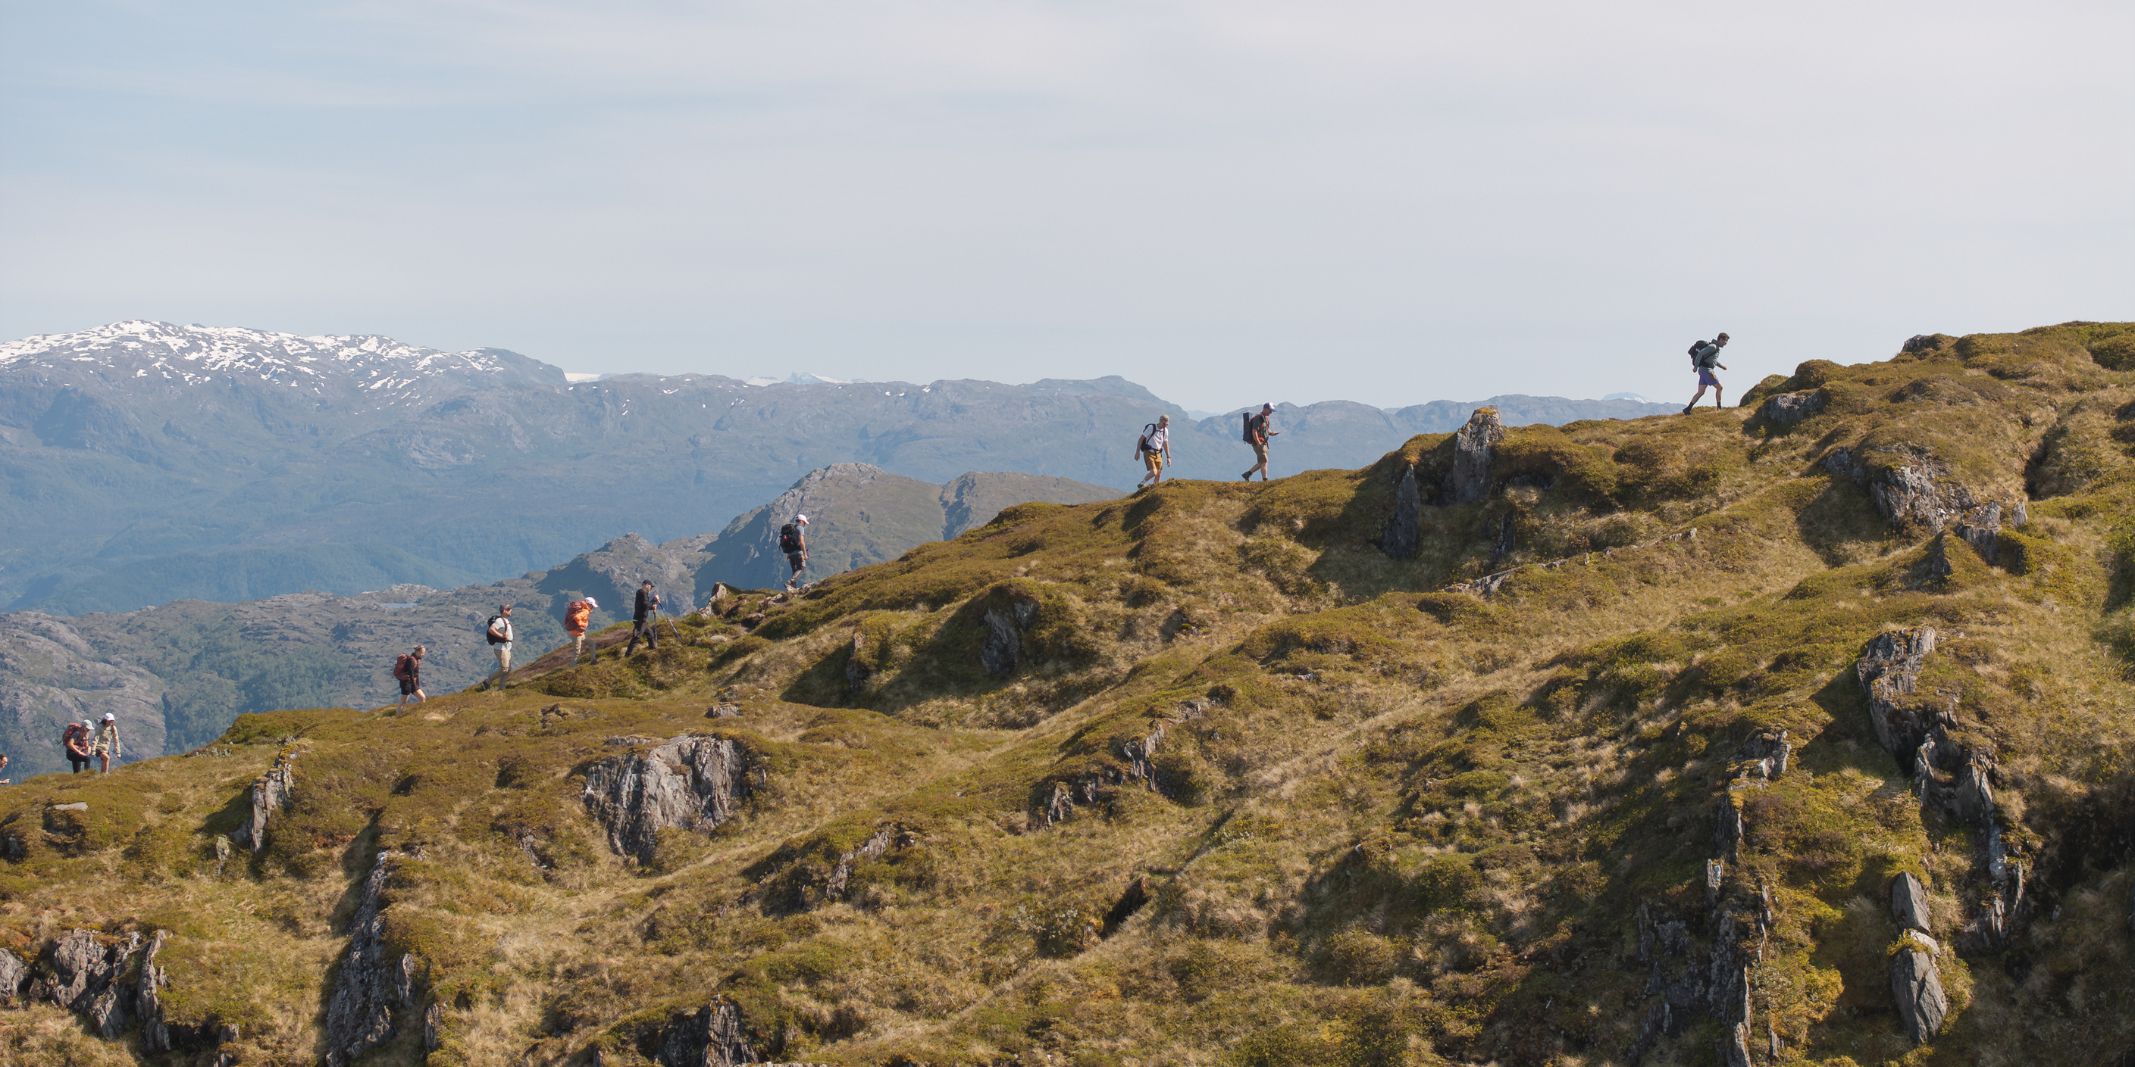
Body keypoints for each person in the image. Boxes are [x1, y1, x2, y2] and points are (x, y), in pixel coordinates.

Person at [1684, 333, 1731, 413]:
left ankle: (1687, 409)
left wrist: (1722, 366)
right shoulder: (1713, 347)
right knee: (1720, 388)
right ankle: (1719, 408)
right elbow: (1700, 354)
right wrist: (1695, 366)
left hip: (1703, 371)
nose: (1725, 344)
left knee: (1701, 392)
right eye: (1725, 342)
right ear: (1720, 339)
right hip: (1707, 371)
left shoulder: (1715, 348)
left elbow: (1713, 361)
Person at [1242, 403, 1279, 482]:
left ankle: (1251, 475)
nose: (1271, 412)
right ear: (1265, 409)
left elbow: (1266, 430)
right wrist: (1258, 442)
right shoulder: (1258, 418)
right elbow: (1254, 431)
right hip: (1258, 444)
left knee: (1263, 461)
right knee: (1264, 460)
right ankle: (1260, 477)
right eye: (1270, 410)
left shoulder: (1265, 418)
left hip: (1264, 443)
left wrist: (1272, 433)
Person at [625, 581, 660, 656]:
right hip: (640, 620)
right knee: (637, 637)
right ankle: (628, 655)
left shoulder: (642, 593)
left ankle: (652, 649)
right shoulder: (642, 592)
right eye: (651, 586)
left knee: (650, 633)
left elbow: (645, 606)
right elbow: (645, 605)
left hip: (641, 620)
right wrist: (654, 601)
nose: (651, 588)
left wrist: (653, 604)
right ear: (646, 585)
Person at [1136, 415, 1172, 488]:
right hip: (1148, 452)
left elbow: (1165, 443)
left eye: (1167, 424)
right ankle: (1142, 483)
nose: (1165, 425)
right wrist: (1137, 452)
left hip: (1158, 453)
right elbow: (1141, 439)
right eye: (1164, 424)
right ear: (1160, 421)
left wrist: (1168, 457)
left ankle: (1154, 489)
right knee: (1154, 472)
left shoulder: (1165, 431)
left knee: (1158, 474)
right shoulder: (1151, 428)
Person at [485, 604, 515, 689]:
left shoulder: (505, 621)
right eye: (509, 609)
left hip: (506, 647)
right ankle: (487, 681)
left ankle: (502, 687)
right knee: (504, 669)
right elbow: (491, 629)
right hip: (501, 648)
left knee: (508, 669)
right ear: (504, 611)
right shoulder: (500, 620)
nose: (511, 610)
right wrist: (501, 636)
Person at [780, 514, 811, 591]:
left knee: (794, 570)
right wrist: (805, 554)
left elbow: (790, 542)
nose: (804, 525)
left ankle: (793, 588)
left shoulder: (791, 529)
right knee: (801, 567)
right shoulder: (800, 528)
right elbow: (801, 542)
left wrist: (788, 554)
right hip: (798, 552)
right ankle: (790, 582)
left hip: (790, 553)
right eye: (804, 523)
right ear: (801, 521)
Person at [565, 597, 598, 663]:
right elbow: (577, 617)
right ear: (589, 604)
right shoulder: (585, 611)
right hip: (576, 634)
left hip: (578, 633)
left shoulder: (581, 607)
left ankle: (593, 660)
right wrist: (581, 625)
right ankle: (572, 668)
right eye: (592, 606)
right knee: (577, 653)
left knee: (591, 643)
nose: (592, 607)